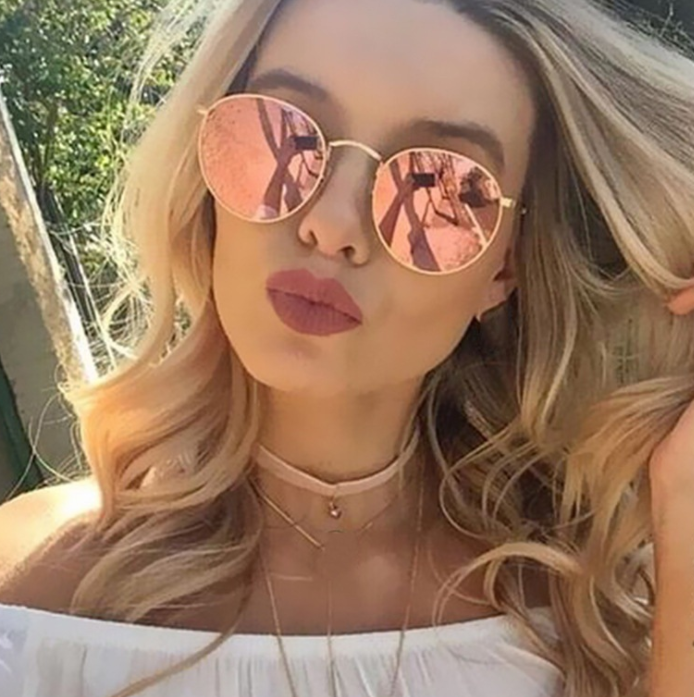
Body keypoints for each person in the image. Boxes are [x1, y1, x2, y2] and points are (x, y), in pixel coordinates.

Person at [1, 0, 694, 696]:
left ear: (505, 265)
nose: (332, 225)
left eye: (439, 188)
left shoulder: (597, 601)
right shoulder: (31, 603)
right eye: (281, 136)